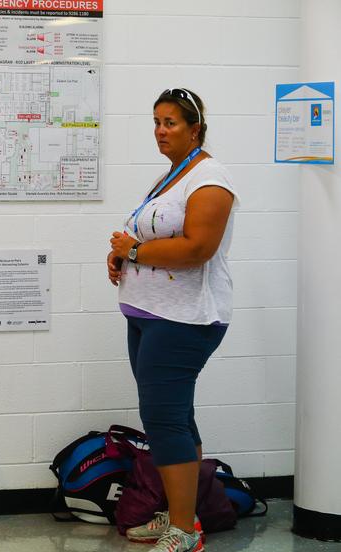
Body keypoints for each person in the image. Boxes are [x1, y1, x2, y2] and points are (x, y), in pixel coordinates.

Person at [107, 88, 238, 552]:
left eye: (171, 123)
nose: (161, 131)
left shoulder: (210, 178)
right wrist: (123, 259)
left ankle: (184, 530)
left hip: (184, 319)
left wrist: (136, 251)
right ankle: (183, 515)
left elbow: (197, 249)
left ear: (195, 128)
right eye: (157, 122)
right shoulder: (171, 176)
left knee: (163, 419)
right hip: (147, 313)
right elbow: (150, 242)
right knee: (175, 416)